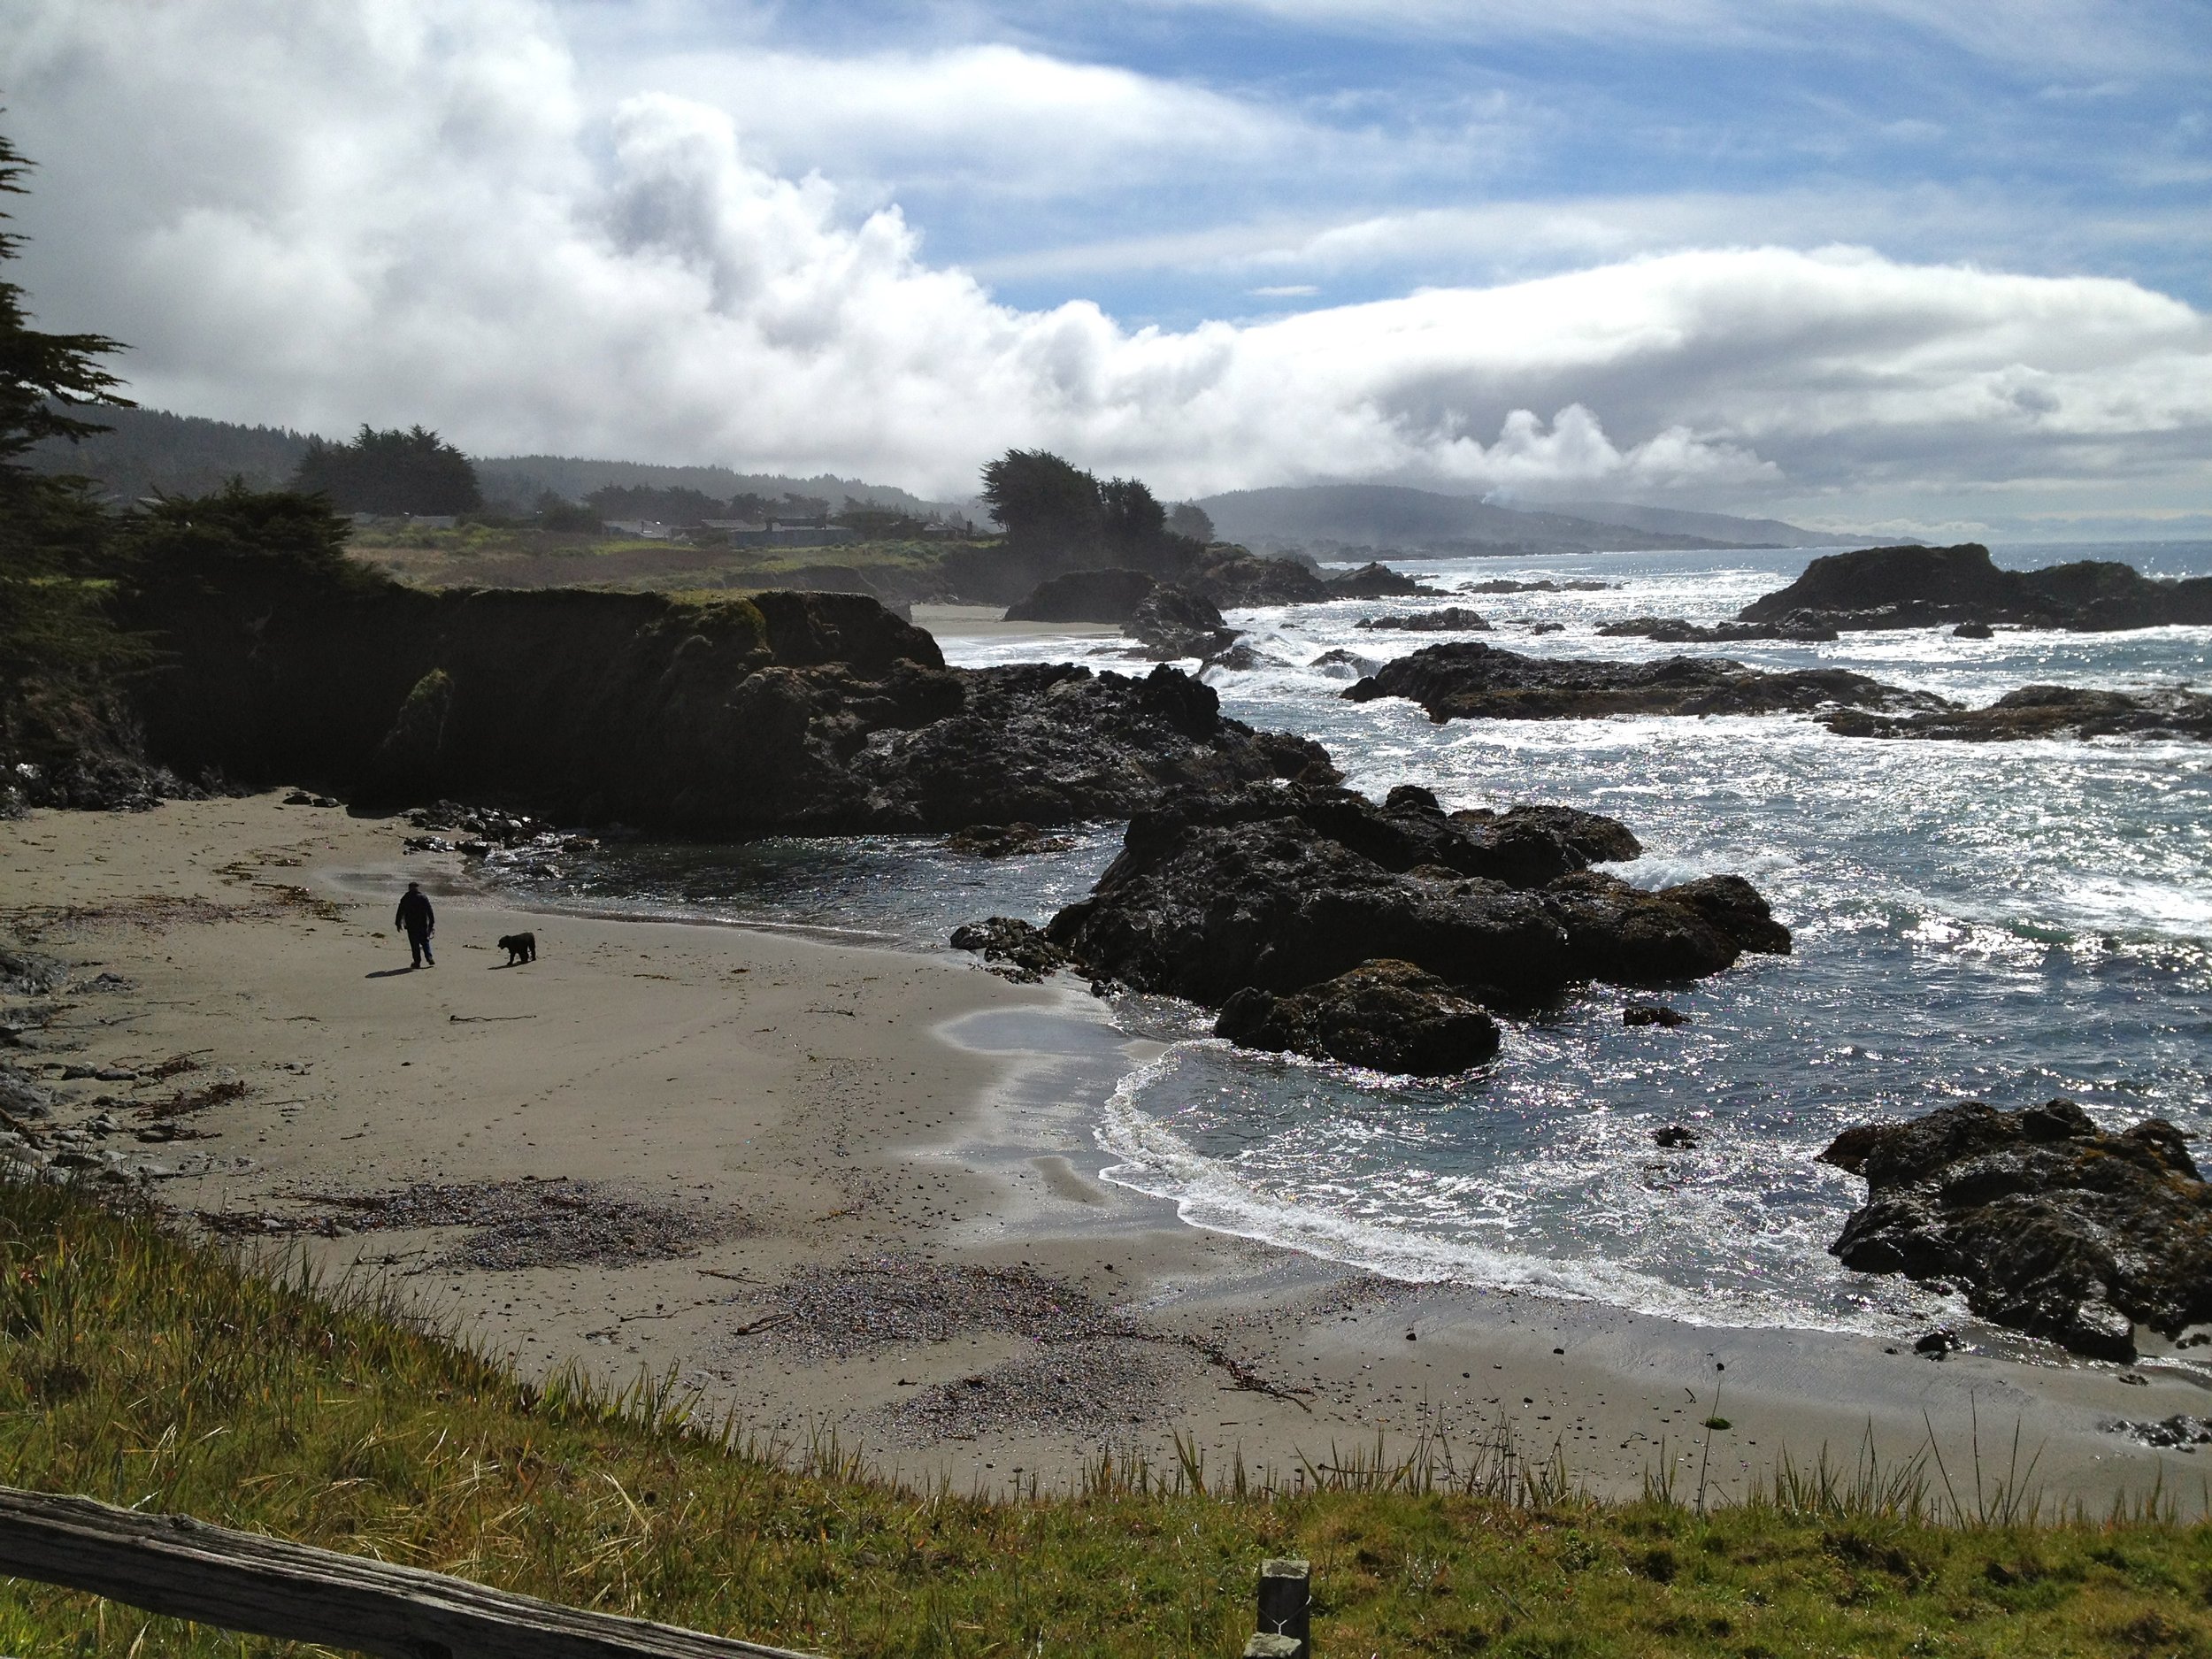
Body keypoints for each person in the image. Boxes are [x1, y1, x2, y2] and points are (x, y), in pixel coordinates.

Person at [395, 881, 435, 968]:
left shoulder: (406, 898)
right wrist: (431, 922)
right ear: (417, 888)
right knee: (425, 941)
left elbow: (400, 911)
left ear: (409, 888)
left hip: (411, 924)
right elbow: (429, 910)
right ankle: (429, 957)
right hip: (422, 923)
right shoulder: (423, 897)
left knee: (414, 944)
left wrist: (398, 923)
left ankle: (417, 962)